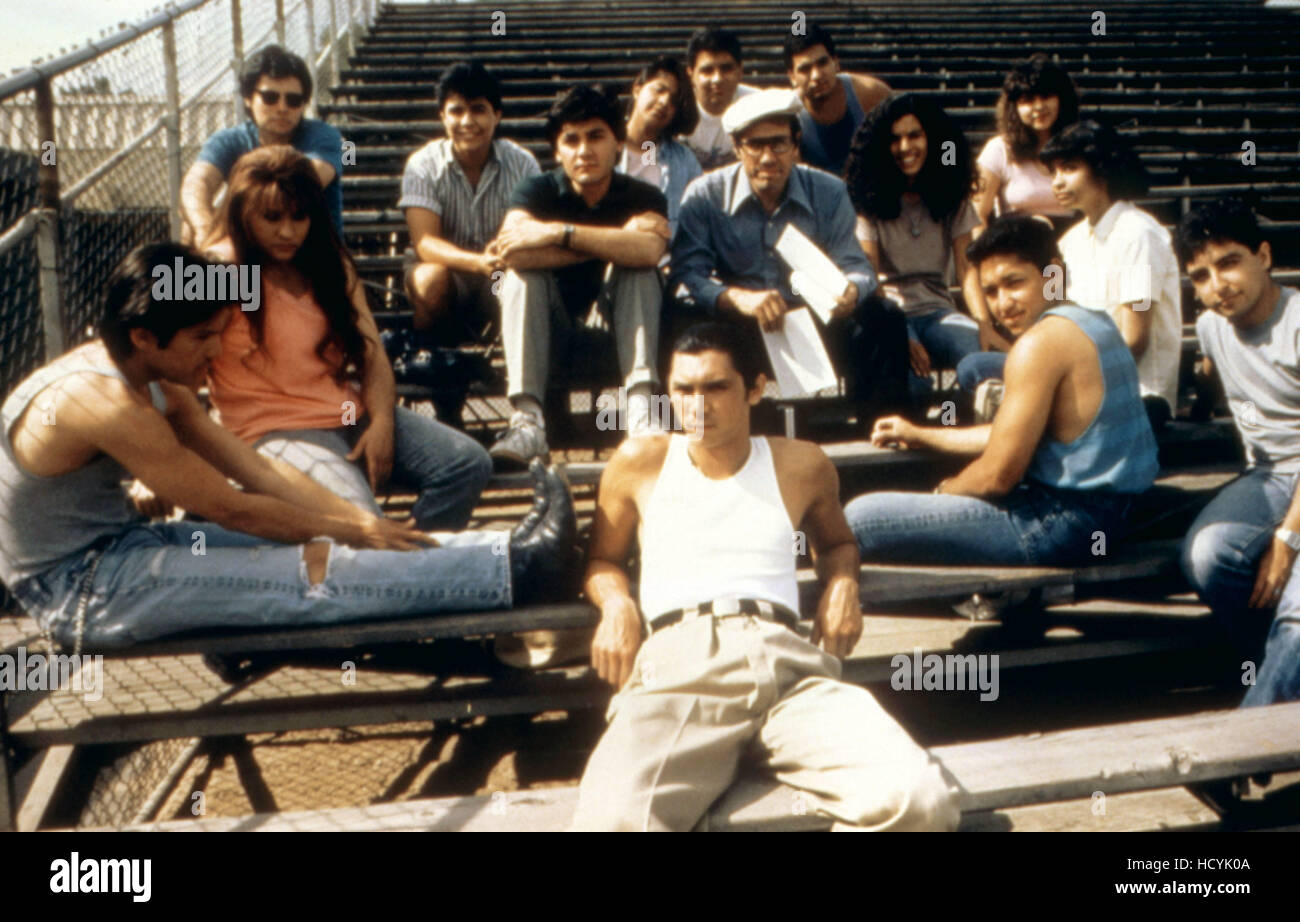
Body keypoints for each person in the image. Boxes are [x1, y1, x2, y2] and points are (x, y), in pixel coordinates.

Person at [0, 242, 575, 652]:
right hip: (78, 590)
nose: (215, 351)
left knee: (331, 543)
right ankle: (520, 568)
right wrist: (353, 530)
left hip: (123, 545)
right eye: (203, 337)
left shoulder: (146, 371)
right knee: (310, 571)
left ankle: (503, 550)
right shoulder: (103, 401)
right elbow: (233, 506)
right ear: (145, 336)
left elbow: (254, 468)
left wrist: (350, 520)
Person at [572, 321, 958, 831]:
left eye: (716, 387)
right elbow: (602, 562)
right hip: (680, 671)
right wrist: (617, 605)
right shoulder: (641, 462)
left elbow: (838, 544)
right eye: (683, 389)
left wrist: (842, 585)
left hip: (790, 667)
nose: (696, 404)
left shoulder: (800, 463)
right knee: (610, 823)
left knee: (921, 802)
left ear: (755, 388)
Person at [202, 145, 492, 531]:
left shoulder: (328, 264)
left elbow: (371, 352)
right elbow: (165, 364)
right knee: (364, 527)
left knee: (467, 463)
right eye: (271, 218)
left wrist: (382, 423)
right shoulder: (218, 268)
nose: (288, 231)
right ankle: (405, 572)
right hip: (271, 429)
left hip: (347, 413)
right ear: (243, 212)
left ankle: (406, 574)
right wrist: (156, 464)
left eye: (300, 216)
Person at [844, 215, 1159, 567]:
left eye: (1014, 283)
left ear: (1053, 275)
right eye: (991, 291)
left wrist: (945, 493)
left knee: (860, 518)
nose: (1002, 303)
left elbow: (998, 475)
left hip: (1062, 524)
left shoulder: (1039, 344)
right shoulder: (1097, 321)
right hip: (1120, 513)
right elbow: (1009, 435)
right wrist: (920, 434)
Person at [672, 89, 910, 423]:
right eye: (755, 145)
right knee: (682, 322)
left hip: (812, 320)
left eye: (778, 143)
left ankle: (883, 430)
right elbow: (689, 274)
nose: (768, 158)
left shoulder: (829, 190)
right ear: (737, 147)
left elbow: (856, 264)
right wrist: (739, 299)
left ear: (796, 143)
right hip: (742, 324)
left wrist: (851, 291)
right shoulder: (705, 194)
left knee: (883, 316)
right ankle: (693, 436)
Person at [488, 84, 670, 469]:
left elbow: (650, 252)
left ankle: (640, 412)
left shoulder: (643, 193)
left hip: (615, 325)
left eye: (595, 136)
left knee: (639, 272)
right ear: (557, 151)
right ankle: (527, 422)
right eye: (571, 140)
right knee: (521, 277)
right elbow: (513, 252)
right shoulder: (535, 190)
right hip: (550, 331)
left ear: (618, 143)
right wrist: (615, 240)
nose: (584, 150)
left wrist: (559, 233)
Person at [1177, 198, 1300, 706]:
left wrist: (1288, 540)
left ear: (1264, 256)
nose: (1216, 285)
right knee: (1208, 556)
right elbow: (1212, 370)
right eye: (1200, 276)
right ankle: (1277, 671)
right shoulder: (1211, 325)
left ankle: (1241, 754)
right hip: (1269, 476)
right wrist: (1198, 404)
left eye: (1229, 262)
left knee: (1298, 617)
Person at [843, 94, 991, 404]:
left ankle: (963, 428)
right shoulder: (868, 201)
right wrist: (904, 337)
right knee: (916, 382)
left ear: (932, 138)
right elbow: (868, 273)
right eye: (894, 139)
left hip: (938, 309)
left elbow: (967, 268)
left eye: (915, 135)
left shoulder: (951, 194)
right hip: (892, 313)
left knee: (976, 354)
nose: (905, 147)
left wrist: (983, 323)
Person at [1043, 120, 1181, 430]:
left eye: (1068, 168)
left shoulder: (1139, 233)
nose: (1056, 182)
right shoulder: (1069, 241)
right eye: (1053, 173)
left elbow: (1135, 338)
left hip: (1139, 394)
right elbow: (1052, 312)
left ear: (1102, 168)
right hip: (1083, 382)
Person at [399, 60, 541, 338]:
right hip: (447, 274)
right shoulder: (422, 164)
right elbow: (425, 243)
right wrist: (477, 262)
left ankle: (521, 375)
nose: (467, 122)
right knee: (429, 280)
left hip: (502, 270)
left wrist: (498, 258)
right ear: (442, 116)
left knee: (529, 281)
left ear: (496, 116)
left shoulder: (523, 163)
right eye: (457, 111)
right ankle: (430, 365)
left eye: (478, 109)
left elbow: (530, 231)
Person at [181, 44, 343, 245]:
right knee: (190, 223)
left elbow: (297, 188)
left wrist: (221, 227)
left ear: (304, 104)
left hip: (310, 256)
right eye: (270, 97)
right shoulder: (230, 139)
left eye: (293, 100)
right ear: (248, 98)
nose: (282, 108)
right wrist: (204, 228)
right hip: (253, 253)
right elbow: (197, 182)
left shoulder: (325, 136)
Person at [972, 54, 1078, 227]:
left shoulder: (1080, 146)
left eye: (1046, 96)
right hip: (1015, 246)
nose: (1039, 107)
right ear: (1014, 108)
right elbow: (977, 216)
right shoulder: (999, 149)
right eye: (1028, 100)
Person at [784, 24, 891, 175]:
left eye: (822, 63)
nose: (817, 76)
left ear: (835, 62)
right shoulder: (790, 113)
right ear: (792, 77)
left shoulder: (870, 93)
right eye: (805, 69)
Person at [617, 56, 702, 236]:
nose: (664, 102)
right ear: (637, 89)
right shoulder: (605, 145)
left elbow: (698, 224)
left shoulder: (683, 161)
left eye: (673, 100)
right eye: (659, 90)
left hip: (668, 258)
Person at [682, 27, 758, 170]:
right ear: (690, 74)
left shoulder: (757, 105)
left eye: (726, 69)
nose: (717, 79)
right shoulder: (675, 107)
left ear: (740, 71)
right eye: (707, 70)